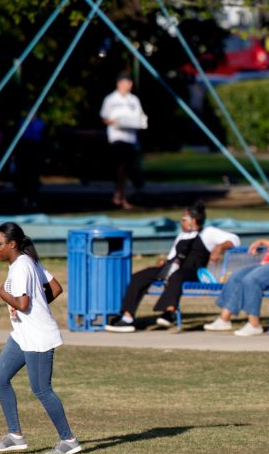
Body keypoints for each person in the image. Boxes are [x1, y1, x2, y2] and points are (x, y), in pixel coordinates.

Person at [0, 222, 81, 454]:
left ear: (12, 244)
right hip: (22, 335)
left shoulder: (21, 266)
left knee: (41, 390)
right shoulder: (26, 261)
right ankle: (15, 435)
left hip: (38, 336)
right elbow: (55, 288)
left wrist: (3, 294)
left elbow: (23, 303)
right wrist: (34, 306)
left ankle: (68, 440)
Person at [105, 202, 240, 332]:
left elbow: (234, 240)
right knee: (139, 276)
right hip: (173, 268)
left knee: (177, 276)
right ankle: (127, 318)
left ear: (192, 220)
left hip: (194, 272)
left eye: (183, 219)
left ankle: (169, 312)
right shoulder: (182, 235)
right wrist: (164, 261)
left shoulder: (208, 233)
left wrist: (219, 247)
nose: (181, 221)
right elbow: (173, 257)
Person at [203, 203, 269, 336]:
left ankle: (254, 324)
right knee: (238, 276)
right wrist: (262, 241)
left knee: (253, 279)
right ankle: (224, 319)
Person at [100, 72, 147, 209]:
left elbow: (139, 117)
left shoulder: (133, 100)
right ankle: (118, 195)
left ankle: (121, 196)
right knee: (120, 166)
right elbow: (104, 117)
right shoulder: (110, 99)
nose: (130, 85)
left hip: (130, 138)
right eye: (127, 82)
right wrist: (115, 122)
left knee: (127, 168)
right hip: (117, 137)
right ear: (120, 83)